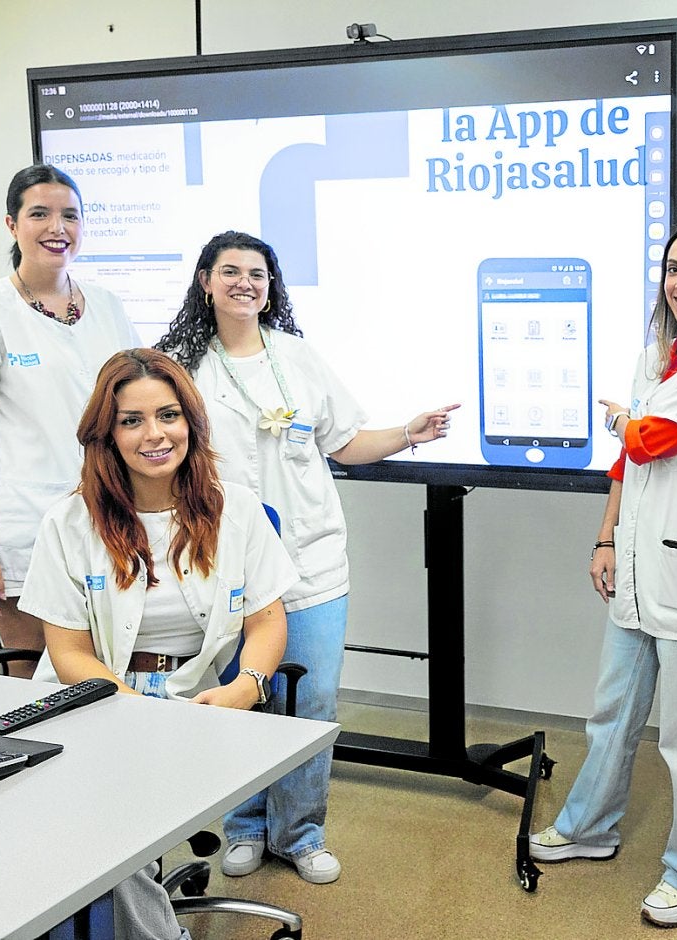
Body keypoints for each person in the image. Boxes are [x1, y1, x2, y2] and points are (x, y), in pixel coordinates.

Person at [155, 230, 457, 884]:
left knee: (309, 702)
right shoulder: (181, 368)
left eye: (257, 273)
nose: (245, 283)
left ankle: (300, 834)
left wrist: (411, 431)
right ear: (205, 281)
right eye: (230, 271)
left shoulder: (298, 357)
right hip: (223, 570)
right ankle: (243, 825)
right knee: (238, 698)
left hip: (311, 564)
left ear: (272, 286)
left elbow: (345, 442)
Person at [19, 348, 298, 940]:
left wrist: (246, 688)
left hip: (196, 705)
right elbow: (67, 650)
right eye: (132, 420)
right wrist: (127, 706)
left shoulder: (237, 512)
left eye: (168, 415)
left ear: (191, 423)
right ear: (107, 433)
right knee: (116, 820)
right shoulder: (69, 523)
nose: (155, 435)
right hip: (91, 700)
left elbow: (267, 621)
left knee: (117, 827)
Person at [527, 223, 677, 928]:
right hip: (634, 563)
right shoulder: (657, 354)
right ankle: (589, 828)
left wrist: (628, 418)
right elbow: (628, 461)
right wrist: (605, 536)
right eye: (672, 268)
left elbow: (652, 438)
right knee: (612, 714)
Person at [0, 164, 139, 676]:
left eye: (70, 215)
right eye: (39, 214)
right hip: (26, 532)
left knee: (112, 680)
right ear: (12, 225)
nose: (56, 228)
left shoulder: (107, 307)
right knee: (35, 687)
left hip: (113, 522)